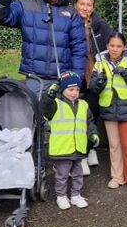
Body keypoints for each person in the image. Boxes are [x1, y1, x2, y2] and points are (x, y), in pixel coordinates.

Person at [0, 0, 86, 92]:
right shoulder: (26, 6)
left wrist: (76, 76)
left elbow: (79, 46)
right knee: (34, 111)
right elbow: (0, 16)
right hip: (34, 78)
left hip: (62, 78)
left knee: (60, 111)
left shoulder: (71, 13)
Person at [89, 32, 127, 192]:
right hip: (108, 107)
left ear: (124, 47)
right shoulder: (99, 64)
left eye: (118, 46)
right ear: (107, 46)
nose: (115, 49)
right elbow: (93, 88)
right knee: (114, 145)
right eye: (112, 45)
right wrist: (99, 82)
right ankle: (117, 177)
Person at [40, 71, 100, 210]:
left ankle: (76, 195)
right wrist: (48, 96)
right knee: (62, 175)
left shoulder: (84, 105)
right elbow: (44, 109)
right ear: (63, 90)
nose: (74, 93)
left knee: (78, 174)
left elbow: (89, 122)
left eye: (77, 89)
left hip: (78, 148)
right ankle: (61, 196)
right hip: (62, 148)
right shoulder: (55, 104)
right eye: (71, 89)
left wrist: (93, 134)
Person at [75, 0, 112, 171]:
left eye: (89, 4)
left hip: (95, 78)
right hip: (77, 78)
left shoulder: (101, 26)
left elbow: (111, 47)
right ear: (76, 5)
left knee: (92, 116)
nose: (85, 8)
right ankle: (81, 154)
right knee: (78, 118)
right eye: (82, 4)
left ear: (93, 7)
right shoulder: (70, 24)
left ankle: (90, 150)